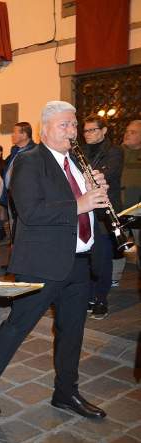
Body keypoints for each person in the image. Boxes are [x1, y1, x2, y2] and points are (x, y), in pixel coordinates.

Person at [0, 100, 109, 420]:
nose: (72, 131)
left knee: (72, 331)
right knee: (19, 325)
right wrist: (81, 203)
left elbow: (88, 206)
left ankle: (66, 392)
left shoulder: (78, 162)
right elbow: (30, 212)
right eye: (64, 125)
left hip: (78, 260)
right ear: (45, 129)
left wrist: (98, 192)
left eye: (74, 125)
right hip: (42, 263)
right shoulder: (29, 161)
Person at [82, 114, 124, 319]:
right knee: (86, 258)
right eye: (85, 130)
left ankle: (100, 299)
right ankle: (89, 296)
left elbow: (108, 174)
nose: (88, 134)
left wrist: (88, 176)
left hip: (104, 213)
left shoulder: (114, 151)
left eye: (93, 130)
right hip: (85, 211)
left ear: (104, 131)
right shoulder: (80, 151)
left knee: (102, 259)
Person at [119, 120, 141, 271]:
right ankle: (114, 279)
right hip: (119, 208)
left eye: (133, 132)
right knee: (118, 246)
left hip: (138, 211)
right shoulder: (117, 153)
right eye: (127, 131)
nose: (127, 134)